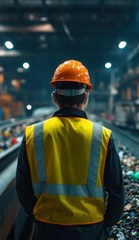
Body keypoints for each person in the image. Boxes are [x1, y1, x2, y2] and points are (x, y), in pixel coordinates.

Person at [16, 59, 124, 240]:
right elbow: (117, 192)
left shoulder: (34, 134)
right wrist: (105, 227)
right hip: (90, 229)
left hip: (46, 229)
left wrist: (36, 216)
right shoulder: (102, 136)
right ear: (86, 98)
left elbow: (22, 187)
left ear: (55, 98)